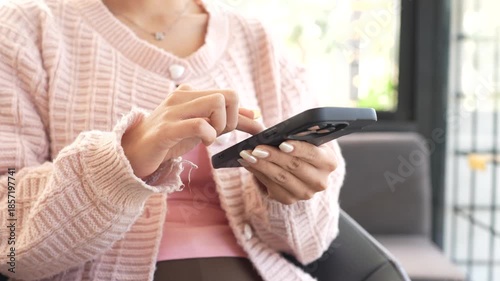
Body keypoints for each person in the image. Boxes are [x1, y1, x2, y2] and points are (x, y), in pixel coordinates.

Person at [0, 0, 346, 280]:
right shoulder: (22, 29)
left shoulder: (256, 38)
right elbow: (9, 244)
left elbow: (311, 242)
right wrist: (123, 160)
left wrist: (293, 194)